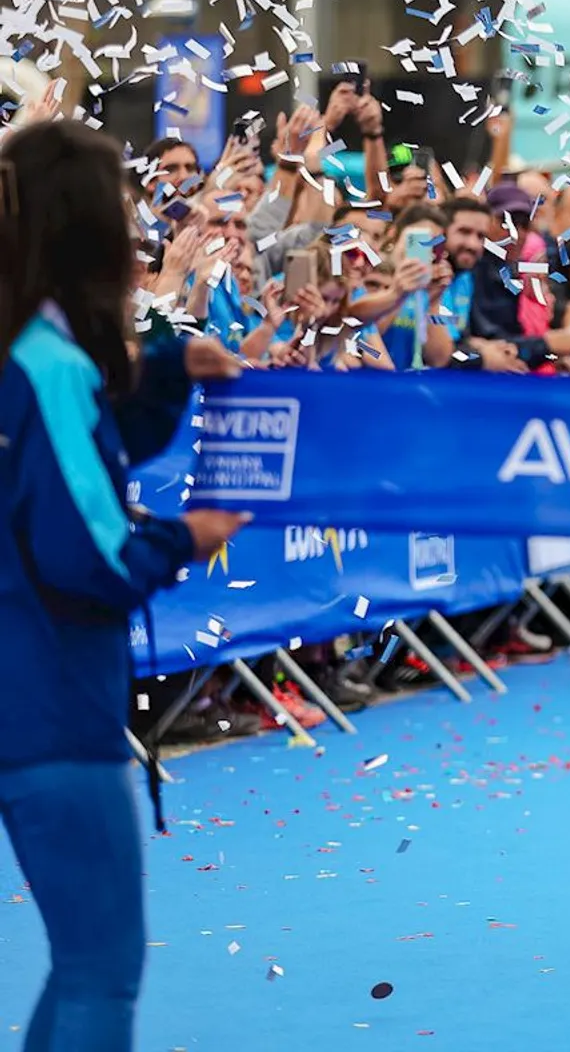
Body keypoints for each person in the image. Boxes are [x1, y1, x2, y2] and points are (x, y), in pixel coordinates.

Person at [0, 119, 252, 1052]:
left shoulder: (29, 348)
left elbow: (82, 460)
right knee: (101, 971)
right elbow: (91, 558)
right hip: (50, 704)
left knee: (79, 966)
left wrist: (164, 379)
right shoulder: (47, 364)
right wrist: (187, 536)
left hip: (30, 692)